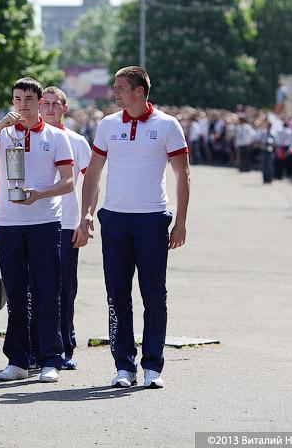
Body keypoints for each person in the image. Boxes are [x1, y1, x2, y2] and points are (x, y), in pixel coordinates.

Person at [75, 66, 190, 389]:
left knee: (154, 295)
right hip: (114, 220)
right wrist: (87, 213)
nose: (115, 92)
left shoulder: (167, 125)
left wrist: (180, 222)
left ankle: (153, 366)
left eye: (121, 87)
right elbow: (94, 172)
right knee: (117, 296)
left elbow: (183, 175)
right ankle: (124, 366)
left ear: (139, 91)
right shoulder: (108, 125)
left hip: (152, 220)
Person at [0, 77, 74, 383]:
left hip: (44, 222)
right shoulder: (4, 135)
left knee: (47, 290)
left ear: (40, 103)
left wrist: (39, 194)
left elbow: (68, 181)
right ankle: (17, 360)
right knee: (15, 292)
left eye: (28, 99)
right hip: (9, 222)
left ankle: (50, 358)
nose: (22, 105)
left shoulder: (54, 137)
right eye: (17, 99)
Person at [36, 86, 93, 370]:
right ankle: (38, 348)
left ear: (64, 108)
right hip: (36, 223)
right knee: (37, 287)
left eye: (54, 104)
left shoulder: (76, 141)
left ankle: (65, 347)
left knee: (64, 289)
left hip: (67, 224)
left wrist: (86, 217)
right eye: (44, 103)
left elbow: (91, 182)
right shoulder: (30, 137)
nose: (48, 108)